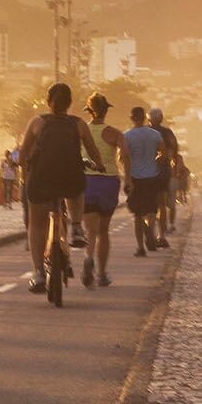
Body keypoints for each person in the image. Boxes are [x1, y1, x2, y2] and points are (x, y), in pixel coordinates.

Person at [19, 84, 87, 294]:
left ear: (48, 102)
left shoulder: (37, 122)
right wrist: (98, 164)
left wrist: (23, 169)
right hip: (70, 177)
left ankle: (38, 272)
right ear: (70, 103)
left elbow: (22, 155)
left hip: (41, 179)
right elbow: (92, 150)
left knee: (37, 223)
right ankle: (76, 227)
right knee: (76, 190)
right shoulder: (78, 123)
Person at [80, 93, 124, 288]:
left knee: (90, 230)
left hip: (87, 181)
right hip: (108, 182)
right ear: (106, 111)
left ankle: (88, 258)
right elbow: (125, 158)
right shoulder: (115, 133)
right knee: (103, 231)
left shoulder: (82, 131)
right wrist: (129, 179)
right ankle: (102, 273)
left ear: (89, 111)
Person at [122, 106, 165, 257]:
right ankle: (151, 229)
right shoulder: (155, 134)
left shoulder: (126, 136)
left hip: (135, 178)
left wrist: (127, 179)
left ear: (131, 118)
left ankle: (140, 247)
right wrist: (155, 162)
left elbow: (124, 158)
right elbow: (162, 152)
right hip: (152, 176)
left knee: (137, 215)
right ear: (144, 118)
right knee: (152, 209)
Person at [149, 107, 178, 247]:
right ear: (161, 118)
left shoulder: (144, 132)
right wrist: (173, 164)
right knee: (161, 204)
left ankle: (150, 234)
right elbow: (174, 148)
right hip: (162, 171)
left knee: (147, 205)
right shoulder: (167, 133)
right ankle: (161, 235)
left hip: (145, 172)